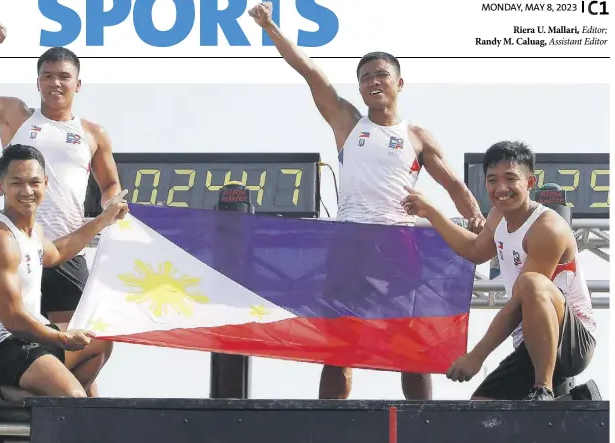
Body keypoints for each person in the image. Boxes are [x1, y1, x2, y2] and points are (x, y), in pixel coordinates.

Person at [248, 1, 486, 400]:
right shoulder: (347, 122)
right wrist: (270, 27)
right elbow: (310, 72)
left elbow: (455, 187)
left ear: (399, 83)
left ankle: (419, 422)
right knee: (339, 342)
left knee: (409, 343)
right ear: (359, 88)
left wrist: (477, 219)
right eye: (365, 78)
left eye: (381, 75)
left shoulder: (418, 137)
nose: (373, 82)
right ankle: (329, 424)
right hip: (350, 244)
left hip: (399, 246)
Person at [0, 21, 125, 397]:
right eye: (47, 76)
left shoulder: (93, 133)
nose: (55, 83)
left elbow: (110, 184)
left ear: (78, 84)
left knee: (88, 343)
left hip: (62, 250)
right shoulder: (17, 116)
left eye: (64, 77)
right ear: (38, 82)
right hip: (18, 243)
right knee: (17, 334)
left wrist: (110, 207)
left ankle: (81, 416)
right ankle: (10, 389)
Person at [401, 141, 597, 400]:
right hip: (530, 344)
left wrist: (477, 356)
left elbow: (519, 302)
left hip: (573, 342)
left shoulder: (547, 229)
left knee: (531, 284)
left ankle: (544, 390)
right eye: (493, 180)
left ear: (530, 183)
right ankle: (546, 393)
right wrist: (432, 212)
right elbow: (474, 250)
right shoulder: (497, 216)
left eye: (511, 179)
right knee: (481, 409)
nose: (501, 188)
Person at [0, 144, 128, 400]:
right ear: (0, 186)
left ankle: (29, 394)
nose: (27, 191)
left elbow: (59, 251)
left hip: (30, 336)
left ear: (46, 184)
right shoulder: (0, 241)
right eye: (16, 183)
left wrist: (103, 220)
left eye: (34, 182)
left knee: (100, 342)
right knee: (73, 399)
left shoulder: (33, 232)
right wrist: (62, 338)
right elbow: (14, 320)